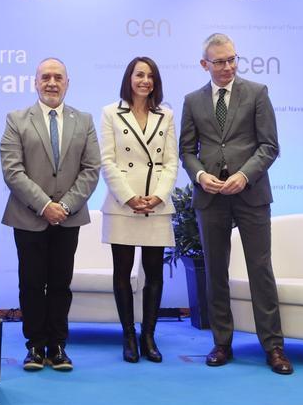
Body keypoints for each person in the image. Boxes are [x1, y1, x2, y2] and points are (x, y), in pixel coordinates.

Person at [179, 33, 292, 374]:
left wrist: (244, 175)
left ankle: (273, 347)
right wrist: (200, 176)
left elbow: (269, 146)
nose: (227, 66)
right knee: (215, 270)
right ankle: (221, 343)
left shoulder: (257, 93)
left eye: (232, 60)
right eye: (219, 61)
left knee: (260, 270)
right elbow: (186, 150)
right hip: (210, 196)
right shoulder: (192, 100)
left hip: (251, 193)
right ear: (205, 65)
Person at [0, 58, 100, 371]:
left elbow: (91, 169)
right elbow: (12, 170)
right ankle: (34, 346)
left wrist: (65, 206)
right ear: (36, 82)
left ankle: (57, 346)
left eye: (58, 77)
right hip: (28, 216)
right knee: (30, 283)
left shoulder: (83, 120)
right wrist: (44, 205)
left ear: (67, 83)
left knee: (60, 283)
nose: (52, 83)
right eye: (46, 77)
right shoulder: (17, 119)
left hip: (68, 217)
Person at [99, 56, 179, 364]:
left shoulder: (166, 115)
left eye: (150, 76)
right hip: (123, 204)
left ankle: (149, 335)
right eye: (139, 75)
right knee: (122, 273)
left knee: (154, 274)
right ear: (129, 78)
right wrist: (129, 197)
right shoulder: (110, 113)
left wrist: (158, 196)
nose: (145, 80)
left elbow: (171, 161)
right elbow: (107, 160)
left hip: (156, 205)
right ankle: (128, 336)